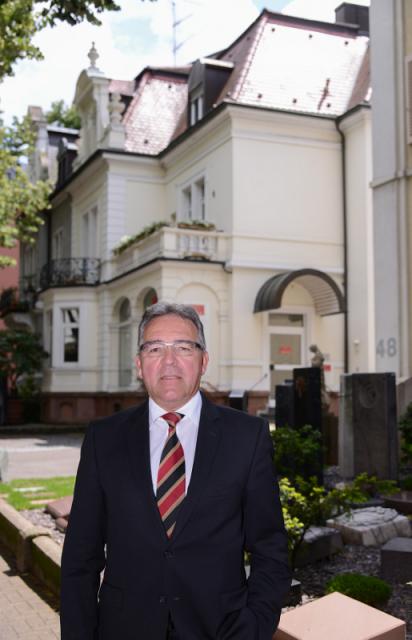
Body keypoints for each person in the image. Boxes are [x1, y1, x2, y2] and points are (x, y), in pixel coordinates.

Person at [60, 302, 291, 640]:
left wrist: (253, 627)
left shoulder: (247, 437)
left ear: (203, 361)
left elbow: (270, 547)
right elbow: (80, 557)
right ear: (140, 364)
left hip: (221, 630)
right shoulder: (103, 439)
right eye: (155, 348)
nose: (168, 360)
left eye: (183, 347)